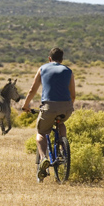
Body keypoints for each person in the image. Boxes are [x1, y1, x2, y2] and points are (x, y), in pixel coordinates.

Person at [20, 47, 75, 183]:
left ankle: (44, 158)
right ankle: (63, 146)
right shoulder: (68, 71)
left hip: (48, 107)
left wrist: (25, 105)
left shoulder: (43, 68)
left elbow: (33, 89)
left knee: (41, 133)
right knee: (61, 122)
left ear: (49, 59)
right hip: (66, 107)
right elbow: (73, 95)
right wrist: (66, 105)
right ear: (62, 60)